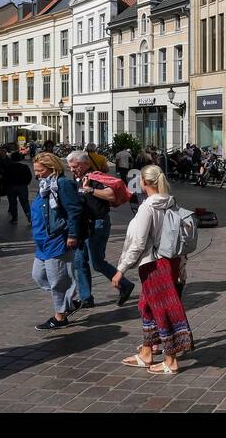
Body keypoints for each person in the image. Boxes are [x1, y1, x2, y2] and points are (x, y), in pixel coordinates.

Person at [112, 166, 193, 374]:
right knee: (146, 306)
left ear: (143, 182)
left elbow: (138, 243)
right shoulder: (170, 202)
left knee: (163, 309)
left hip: (154, 264)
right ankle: (147, 353)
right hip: (171, 260)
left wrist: (121, 269)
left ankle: (171, 360)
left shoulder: (148, 207)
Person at [68, 151, 135, 309]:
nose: (72, 170)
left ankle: (125, 284)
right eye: (70, 167)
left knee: (97, 263)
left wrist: (89, 190)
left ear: (85, 164)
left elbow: (110, 195)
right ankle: (86, 298)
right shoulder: (76, 177)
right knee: (79, 261)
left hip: (98, 223)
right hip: (82, 225)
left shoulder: (95, 177)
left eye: (75, 166)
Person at [29, 152, 84, 330]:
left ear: (52, 168)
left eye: (40, 170)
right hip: (43, 240)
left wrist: (72, 235)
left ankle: (60, 317)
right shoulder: (45, 184)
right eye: (35, 170)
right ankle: (68, 302)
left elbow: (74, 211)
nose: (37, 174)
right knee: (38, 275)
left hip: (57, 239)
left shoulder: (62, 184)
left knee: (58, 280)